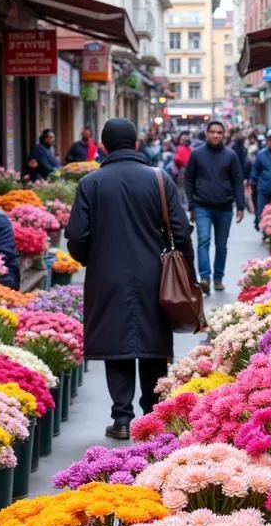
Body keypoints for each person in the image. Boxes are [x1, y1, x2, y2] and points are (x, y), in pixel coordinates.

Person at [66, 118, 194, 440]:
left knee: (117, 345)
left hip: (107, 277)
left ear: (104, 147)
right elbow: (180, 231)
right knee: (153, 344)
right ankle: (151, 416)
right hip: (155, 275)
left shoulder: (91, 183)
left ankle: (122, 418)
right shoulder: (159, 179)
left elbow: (78, 238)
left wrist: (91, 260)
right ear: (137, 144)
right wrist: (188, 271)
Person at [183, 119, 245, 295]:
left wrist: (240, 206)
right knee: (203, 241)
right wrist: (191, 204)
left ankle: (218, 278)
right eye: (213, 132)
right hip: (202, 206)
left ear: (223, 135)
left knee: (221, 244)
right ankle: (204, 278)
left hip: (225, 207)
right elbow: (188, 179)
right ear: (207, 134)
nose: (216, 135)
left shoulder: (231, 155)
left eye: (219, 132)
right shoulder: (196, 154)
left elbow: (237, 182)